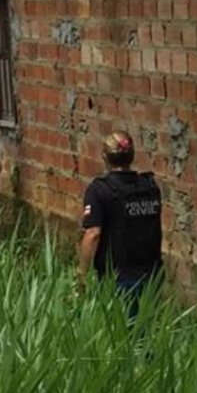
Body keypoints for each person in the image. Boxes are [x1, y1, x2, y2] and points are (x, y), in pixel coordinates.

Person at [77, 131, 164, 319]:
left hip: (119, 277)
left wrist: (81, 274)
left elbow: (93, 233)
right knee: (146, 332)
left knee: (121, 337)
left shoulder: (99, 190)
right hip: (153, 275)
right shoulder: (150, 187)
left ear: (104, 157)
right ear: (132, 156)